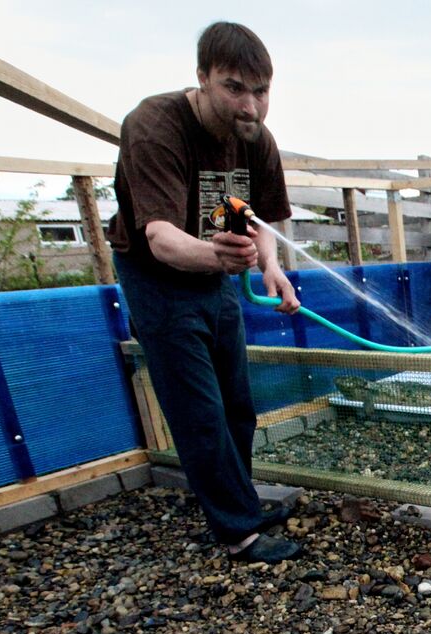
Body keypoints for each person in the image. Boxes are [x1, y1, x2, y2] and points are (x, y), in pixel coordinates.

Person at [108, 21, 302, 564]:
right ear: (202, 78)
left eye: (260, 91)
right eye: (234, 88)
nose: (251, 105)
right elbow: (161, 238)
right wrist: (219, 257)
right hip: (159, 281)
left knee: (237, 405)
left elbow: (265, 222)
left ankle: (239, 503)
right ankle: (238, 531)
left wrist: (271, 268)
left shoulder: (255, 139)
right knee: (199, 410)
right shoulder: (154, 126)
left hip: (214, 276)